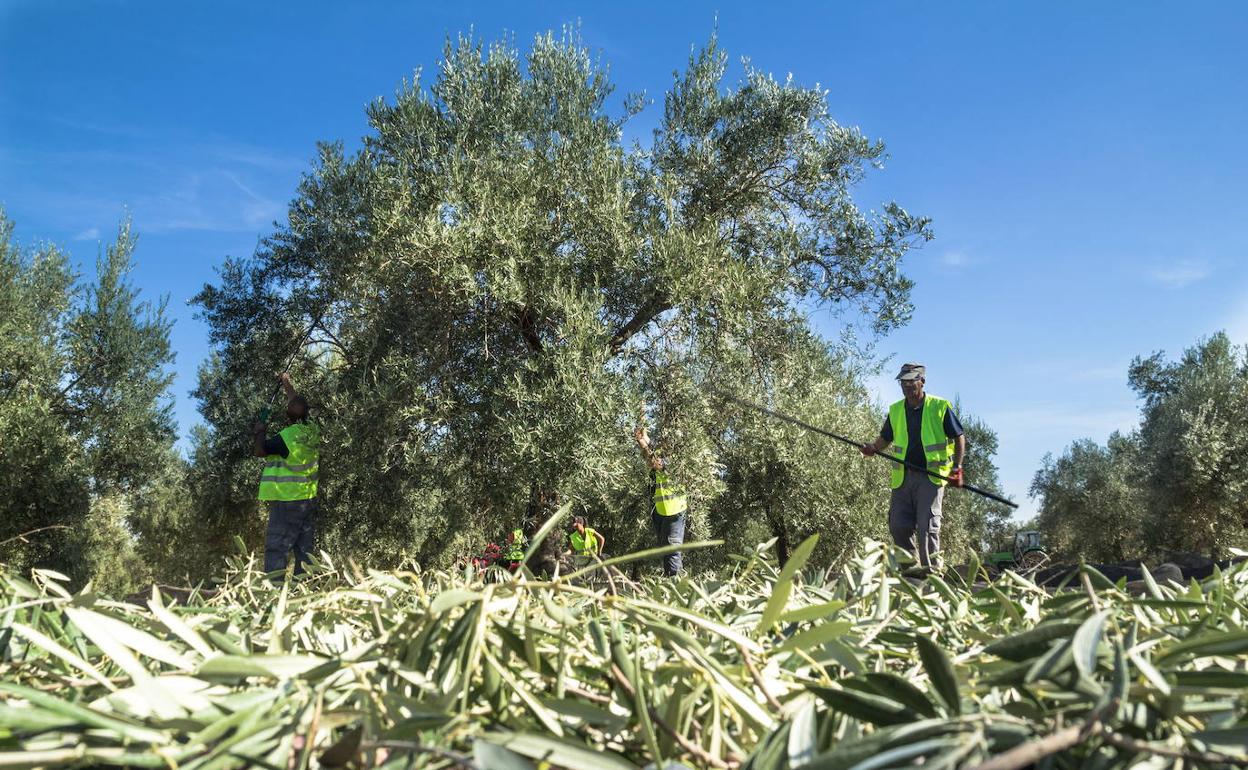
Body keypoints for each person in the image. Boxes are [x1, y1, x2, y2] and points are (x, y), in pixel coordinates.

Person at [860, 363, 965, 569]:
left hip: (931, 478)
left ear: (922, 381)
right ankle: (911, 571)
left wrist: (957, 468)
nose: (907, 386)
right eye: (903, 382)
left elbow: (959, 437)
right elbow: (885, 438)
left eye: (911, 381)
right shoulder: (896, 410)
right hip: (903, 478)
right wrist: (872, 448)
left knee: (927, 527)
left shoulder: (939, 407)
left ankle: (933, 573)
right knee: (898, 525)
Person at [252, 372, 321, 577]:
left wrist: (260, 431)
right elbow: (296, 402)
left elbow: (260, 451)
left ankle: (274, 595)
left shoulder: (286, 438)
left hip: (286, 500)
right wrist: (286, 382)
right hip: (306, 500)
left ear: (287, 415)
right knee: (304, 551)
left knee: (277, 548)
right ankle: (307, 591)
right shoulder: (313, 431)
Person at [634, 421, 687, 577]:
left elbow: (655, 462)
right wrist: (642, 440)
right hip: (661, 510)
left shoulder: (675, 460)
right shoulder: (663, 454)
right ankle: (673, 582)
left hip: (674, 509)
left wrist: (643, 444)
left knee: (671, 548)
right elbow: (650, 453)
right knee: (666, 549)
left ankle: (675, 586)